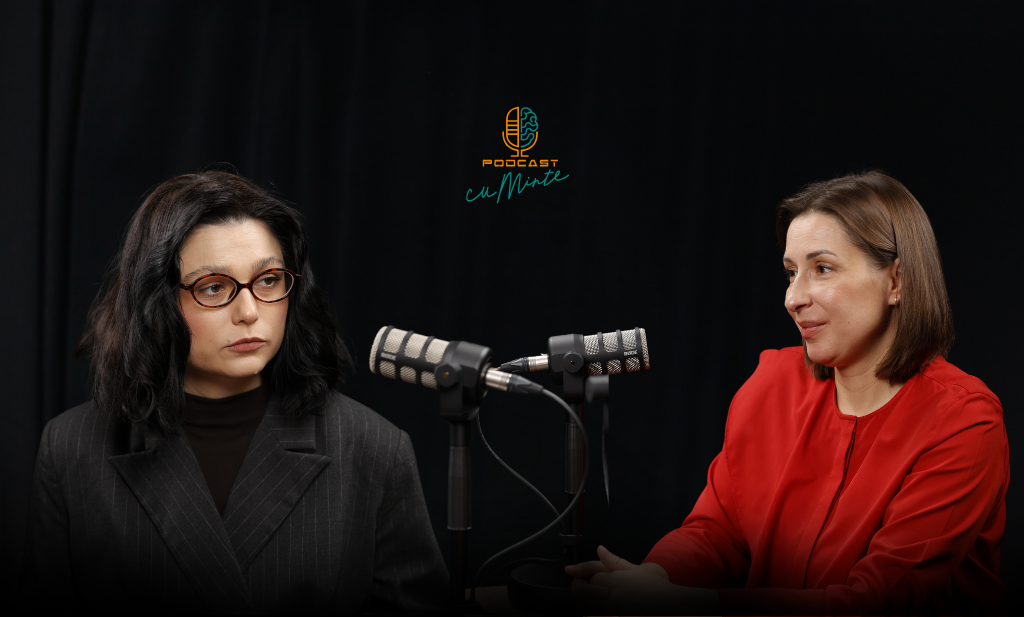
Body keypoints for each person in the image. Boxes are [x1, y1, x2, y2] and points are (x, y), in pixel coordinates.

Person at [566, 171, 1008, 615]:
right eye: (791, 273)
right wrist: (656, 577)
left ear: (897, 281)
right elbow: (718, 533)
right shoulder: (771, 383)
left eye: (822, 269)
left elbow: (877, 600)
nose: (792, 298)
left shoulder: (964, 422)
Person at [20, 171, 449, 613]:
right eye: (213, 287)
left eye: (268, 280)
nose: (249, 311)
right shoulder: (70, 449)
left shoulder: (374, 448)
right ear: (157, 302)